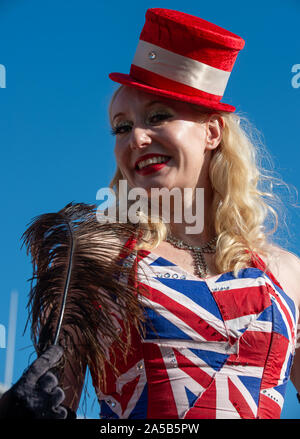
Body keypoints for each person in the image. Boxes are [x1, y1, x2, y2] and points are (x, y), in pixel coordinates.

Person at [1, 7, 300, 420]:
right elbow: (51, 400)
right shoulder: (93, 263)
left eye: (158, 117)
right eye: (121, 127)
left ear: (212, 131)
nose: (137, 138)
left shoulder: (287, 274)